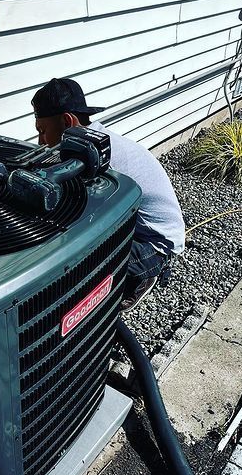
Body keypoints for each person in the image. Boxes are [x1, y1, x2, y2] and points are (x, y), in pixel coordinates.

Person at [31, 77, 185, 311]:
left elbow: (91, 219)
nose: (40, 141)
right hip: (145, 229)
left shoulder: (99, 159)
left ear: (68, 121)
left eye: (42, 131)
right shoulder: (93, 139)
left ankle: (143, 277)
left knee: (82, 269)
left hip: (153, 245)